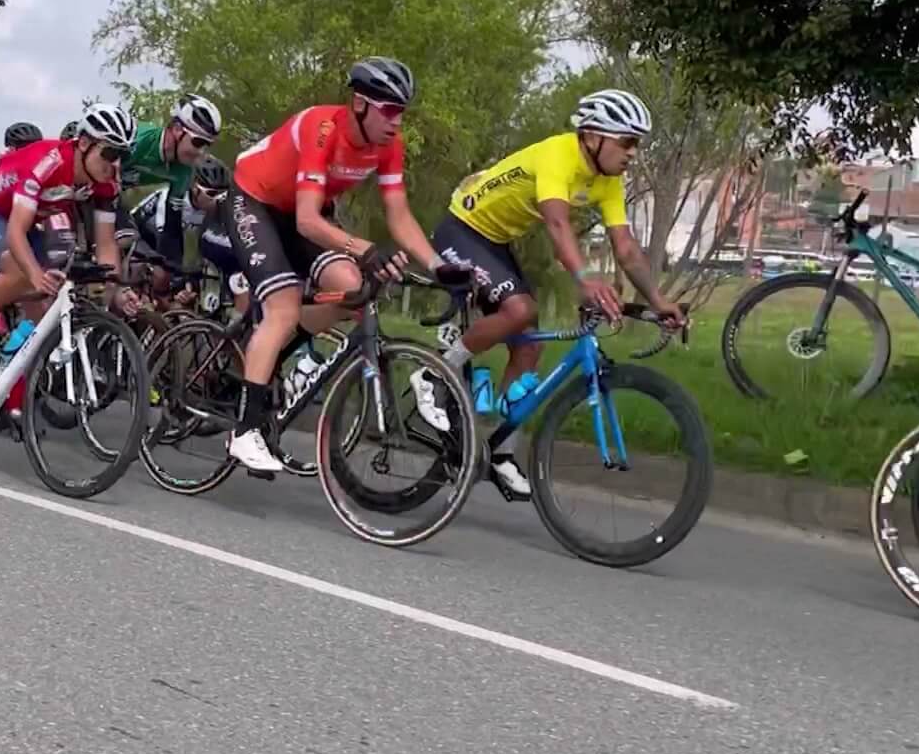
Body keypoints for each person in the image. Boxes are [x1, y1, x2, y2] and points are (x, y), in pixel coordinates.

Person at [428, 88, 686, 497]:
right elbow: (557, 225)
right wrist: (585, 278)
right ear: (594, 136)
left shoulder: (608, 181)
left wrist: (658, 301)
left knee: (529, 346)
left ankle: (501, 454)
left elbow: (625, 248)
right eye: (628, 141)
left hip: (497, 241)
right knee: (520, 310)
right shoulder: (557, 155)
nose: (634, 153)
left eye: (638, 144)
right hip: (462, 229)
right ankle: (434, 370)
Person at [224, 57, 445, 472]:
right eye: (390, 110)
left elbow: (398, 215)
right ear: (360, 104)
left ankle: (267, 352)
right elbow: (308, 221)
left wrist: (438, 266)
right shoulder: (322, 129)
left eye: (403, 112)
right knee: (285, 305)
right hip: (255, 202)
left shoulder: (388, 144)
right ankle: (245, 430)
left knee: (352, 289)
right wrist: (361, 245)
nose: (397, 122)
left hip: (303, 213)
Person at [0, 104, 141, 416]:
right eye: (111, 154)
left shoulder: (106, 181)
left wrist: (114, 287)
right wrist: (33, 274)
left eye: (123, 157)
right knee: (21, 270)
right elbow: (17, 232)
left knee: (45, 312)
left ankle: (13, 396)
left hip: (30, 218)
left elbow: (105, 242)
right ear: (85, 143)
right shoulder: (48, 163)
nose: (115, 164)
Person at [118, 93, 222, 288]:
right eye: (198, 142)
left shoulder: (184, 168)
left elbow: (172, 222)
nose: (201, 152)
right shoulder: (139, 141)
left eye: (207, 145)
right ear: (176, 130)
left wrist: (173, 268)